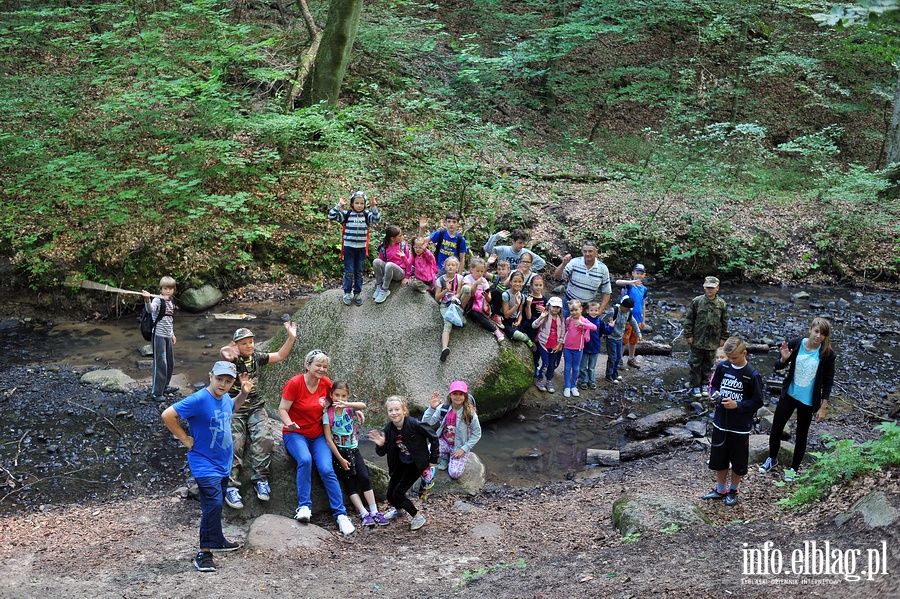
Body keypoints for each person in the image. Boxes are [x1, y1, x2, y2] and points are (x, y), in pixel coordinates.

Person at [160, 361, 252, 572]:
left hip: (222, 461)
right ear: (210, 376)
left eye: (228, 381)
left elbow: (232, 408)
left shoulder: (225, 397)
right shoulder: (200, 398)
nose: (223, 384)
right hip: (204, 462)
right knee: (212, 504)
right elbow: (168, 415)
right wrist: (185, 438)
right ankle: (204, 554)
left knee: (217, 502)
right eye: (219, 379)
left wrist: (244, 393)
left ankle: (217, 540)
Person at [217, 322, 298, 511]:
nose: (249, 346)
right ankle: (231, 486)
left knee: (265, 438)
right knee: (235, 442)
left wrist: (291, 337)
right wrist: (225, 351)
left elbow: (280, 355)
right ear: (236, 345)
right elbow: (224, 354)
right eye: (244, 343)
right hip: (235, 408)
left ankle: (260, 479)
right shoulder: (233, 360)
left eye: (251, 342)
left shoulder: (257, 358)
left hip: (255, 408)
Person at [278, 349, 355, 536]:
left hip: (318, 434)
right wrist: (290, 423)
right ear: (308, 365)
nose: (321, 369)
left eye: (325, 366)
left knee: (327, 469)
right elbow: (282, 409)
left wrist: (352, 410)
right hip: (295, 433)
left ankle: (341, 515)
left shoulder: (326, 383)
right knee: (305, 460)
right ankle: (304, 506)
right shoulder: (295, 384)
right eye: (318, 365)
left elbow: (337, 402)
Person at [759, 317, 836, 483]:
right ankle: (772, 458)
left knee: (801, 435)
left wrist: (823, 407)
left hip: (808, 401)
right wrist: (783, 358)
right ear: (810, 329)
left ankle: (793, 469)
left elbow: (828, 381)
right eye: (816, 332)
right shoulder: (796, 343)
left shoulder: (827, 354)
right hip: (790, 394)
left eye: (822, 334)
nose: (818, 336)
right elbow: (777, 366)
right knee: (776, 428)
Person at [701, 337, 764, 507]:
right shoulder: (723, 367)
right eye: (728, 357)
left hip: (740, 427)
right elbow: (714, 386)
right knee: (719, 457)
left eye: (734, 358)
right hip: (720, 422)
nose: (731, 361)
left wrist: (737, 404)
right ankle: (720, 489)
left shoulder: (752, 375)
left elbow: (758, 402)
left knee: (738, 461)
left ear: (744, 353)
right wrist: (714, 396)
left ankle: (733, 489)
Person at [323, 381, 389, 527]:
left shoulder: (349, 409)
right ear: (331, 395)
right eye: (337, 395)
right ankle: (364, 513)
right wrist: (340, 459)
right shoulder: (328, 415)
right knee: (350, 483)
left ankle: (374, 511)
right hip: (340, 452)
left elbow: (362, 405)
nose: (340, 398)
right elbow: (328, 439)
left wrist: (348, 405)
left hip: (354, 449)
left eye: (344, 396)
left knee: (365, 477)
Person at [368, 396, 439, 531]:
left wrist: (433, 460)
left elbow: (433, 437)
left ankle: (418, 516)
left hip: (415, 464)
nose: (394, 413)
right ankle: (400, 510)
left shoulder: (414, 424)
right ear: (387, 413)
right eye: (390, 410)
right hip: (400, 464)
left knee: (398, 494)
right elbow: (382, 453)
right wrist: (381, 445)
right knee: (390, 495)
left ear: (404, 411)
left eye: (397, 409)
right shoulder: (389, 428)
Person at [328, 191, 380, 306]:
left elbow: (376, 219)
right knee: (349, 272)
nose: (359, 205)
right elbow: (331, 216)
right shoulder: (347, 214)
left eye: (362, 203)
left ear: (365, 204)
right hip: (349, 248)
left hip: (361, 248)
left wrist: (373, 207)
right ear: (352, 203)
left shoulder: (366, 215)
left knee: (359, 272)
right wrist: (339, 205)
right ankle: (347, 293)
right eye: (357, 203)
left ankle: (357, 293)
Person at [422, 381, 482, 479]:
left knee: (454, 474)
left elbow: (477, 434)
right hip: (444, 441)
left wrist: (464, 449)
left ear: (465, 396)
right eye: (455, 393)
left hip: (460, 445)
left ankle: (455, 457)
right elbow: (426, 423)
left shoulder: (470, 414)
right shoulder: (443, 409)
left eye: (461, 394)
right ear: (450, 395)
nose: (457, 397)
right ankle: (445, 457)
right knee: (427, 450)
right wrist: (431, 409)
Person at [684, 276, 728, 399]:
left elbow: (724, 322)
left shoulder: (721, 304)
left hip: (713, 340)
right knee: (695, 363)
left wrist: (723, 337)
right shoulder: (697, 301)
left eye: (712, 288)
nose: (710, 290)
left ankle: (705, 384)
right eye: (708, 288)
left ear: (717, 288)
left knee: (708, 363)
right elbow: (689, 319)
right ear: (704, 287)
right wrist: (688, 335)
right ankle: (695, 385)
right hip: (698, 338)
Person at [553, 241, 612, 318]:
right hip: (569, 304)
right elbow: (556, 277)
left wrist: (600, 310)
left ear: (596, 252)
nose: (587, 254)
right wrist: (563, 264)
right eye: (585, 251)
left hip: (587, 308)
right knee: (564, 327)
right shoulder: (574, 262)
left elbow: (607, 292)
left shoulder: (603, 269)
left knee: (584, 329)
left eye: (590, 251)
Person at [142, 276, 177, 401]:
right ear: (161, 289)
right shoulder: (157, 300)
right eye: (165, 288)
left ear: (173, 290)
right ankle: (156, 392)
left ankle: (165, 386)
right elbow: (150, 310)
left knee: (170, 362)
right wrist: (147, 300)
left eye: (170, 289)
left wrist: (172, 334)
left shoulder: (171, 301)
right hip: (158, 335)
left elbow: (170, 320)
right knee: (161, 363)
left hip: (167, 335)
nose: (167, 291)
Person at [459, 257, 504, 343]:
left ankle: (496, 322)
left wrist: (487, 296)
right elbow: (470, 293)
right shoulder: (467, 278)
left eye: (481, 271)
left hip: (481, 304)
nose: (480, 273)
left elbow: (490, 299)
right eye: (477, 271)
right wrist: (476, 284)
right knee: (474, 315)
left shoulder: (484, 281)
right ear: (472, 269)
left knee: (497, 292)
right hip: (470, 304)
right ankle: (495, 330)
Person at [561, 299, 597, 398]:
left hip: (579, 348)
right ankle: (567, 386)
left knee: (576, 367)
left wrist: (583, 324)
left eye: (576, 310)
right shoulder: (568, 320)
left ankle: (574, 386)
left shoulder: (583, 320)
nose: (574, 312)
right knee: (567, 367)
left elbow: (594, 327)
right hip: (567, 347)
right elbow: (565, 331)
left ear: (581, 309)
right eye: (572, 311)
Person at [615, 263, 649, 368]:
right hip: (627, 318)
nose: (638, 276)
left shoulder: (644, 289)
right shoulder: (629, 285)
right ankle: (619, 359)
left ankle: (631, 358)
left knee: (634, 340)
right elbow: (617, 282)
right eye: (637, 273)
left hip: (638, 319)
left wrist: (643, 319)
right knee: (624, 339)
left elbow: (643, 304)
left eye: (641, 274)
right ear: (633, 273)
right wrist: (630, 282)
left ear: (644, 275)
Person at [604, 296, 642, 385]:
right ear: (622, 306)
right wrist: (603, 332)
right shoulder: (614, 311)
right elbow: (603, 321)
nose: (628, 310)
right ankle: (609, 374)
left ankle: (615, 372)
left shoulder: (629, 313)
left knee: (618, 357)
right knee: (612, 357)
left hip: (619, 337)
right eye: (627, 308)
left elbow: (633, 322)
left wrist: (638, 333)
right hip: (611, 337)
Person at [532, 295, 565, 393]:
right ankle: (540, 380)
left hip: (554, 346)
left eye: (558, 307)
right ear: (549, 306)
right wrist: (540, 318)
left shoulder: (561, 319)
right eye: (554, 306)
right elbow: (534, 325)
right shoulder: (545, 316)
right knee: (545, 363)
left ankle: (549, 381)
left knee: (551, 365)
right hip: (544, 344)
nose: (556, 309)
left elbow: (563, 333)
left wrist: (560, 344)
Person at [435, 256, 464, 362]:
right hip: (445, 305)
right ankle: (444, 348)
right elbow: (437, 297)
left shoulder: (459, 278)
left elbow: (459, 292)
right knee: (448, 323)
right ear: (445, 267)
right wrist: (446, 290)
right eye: (449, 265)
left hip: (455, 304)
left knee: (462, 323)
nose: (451, 267)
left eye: (453, 265)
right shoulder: (440, 280)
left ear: (457, 268)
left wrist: (455, 297)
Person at [372, 225, 411, 304]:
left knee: (389, 264)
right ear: (392, 238)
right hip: (388, 271)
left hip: (400, 272)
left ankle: (385, 289)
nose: (402, 237)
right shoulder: (384, 248)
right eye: (400, 236)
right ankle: (379, 284)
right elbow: (380, 263)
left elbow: (410, 263)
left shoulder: (403, 247)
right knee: (376, 261)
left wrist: (407, 277)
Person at [499, 270, 537, 350]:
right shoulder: (506, 295)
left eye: (520, 282)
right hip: (505, 321)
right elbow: (506, 315)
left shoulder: (522, 296)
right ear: (510, 282)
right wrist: (516, 305)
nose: (517, 284)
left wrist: (519, 321)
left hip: (514, 321)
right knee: (516, 335)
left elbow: (520, 312)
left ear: (523, 283)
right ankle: (526, 339)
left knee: (518, 332)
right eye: (515, 281)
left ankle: (526, 339)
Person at [577, 301, 604, 390]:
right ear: (587, 311)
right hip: (585, 346)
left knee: (592, 367)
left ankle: (591, 381)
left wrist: (611, 327)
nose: (594, 312)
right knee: (583, 366)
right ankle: (584, 380)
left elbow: (605, 331)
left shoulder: (600, 322)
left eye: (596, 310)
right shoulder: (584, 321)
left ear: (599, 311)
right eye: (591, 310)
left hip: (595, 347)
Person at [523, 274, 547, 370]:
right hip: (529, 326)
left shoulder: (544, 299)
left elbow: (548, 314)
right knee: (529, 345)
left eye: (540, 285)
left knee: (538, 348)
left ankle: (536, 366)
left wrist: (545, 310)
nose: (538, 287)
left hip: (540, 327)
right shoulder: (528, 298)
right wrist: (528, 305)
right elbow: (528, 317)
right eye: (536, 285)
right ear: (531, 285)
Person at [486, 256, 512, 326]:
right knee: (494, 291)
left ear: (508, 270)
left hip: (503, 304)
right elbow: (483, 273)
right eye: (499, 269)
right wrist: (488, 263)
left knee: (499, 293)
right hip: (492, 301)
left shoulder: (511, 282)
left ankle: (496, 315)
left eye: (503, 269)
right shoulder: (496, 278)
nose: (500, 271)